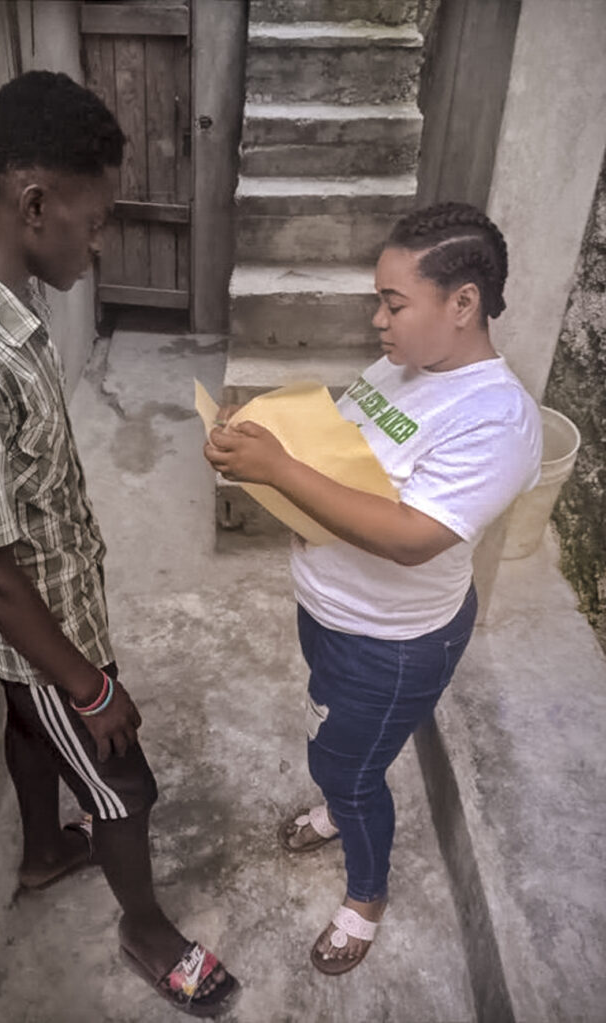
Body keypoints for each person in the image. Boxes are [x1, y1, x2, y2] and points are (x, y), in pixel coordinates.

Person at [0, 71, 238, 1017]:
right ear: (34, 201)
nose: (102, 237)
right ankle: (147, 929)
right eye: (96, 219)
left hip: (43, 620)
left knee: (24, 725)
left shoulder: (4, 305)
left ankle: (43, 852)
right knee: (122, 777)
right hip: (44, 632)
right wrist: (90, 685)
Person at [204, 202, 542, 975]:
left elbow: (410, 537)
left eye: (394, 302)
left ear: (462, 304)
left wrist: (281, 473)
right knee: (337, 736)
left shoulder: (497, 419)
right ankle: (340, 805)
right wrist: (261, 451)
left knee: (347, 767)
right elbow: (344, 457)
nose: (377, 319)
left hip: (393, 642)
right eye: (379, 300)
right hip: (332, 610)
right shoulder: (403, 368)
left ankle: (365, 894)